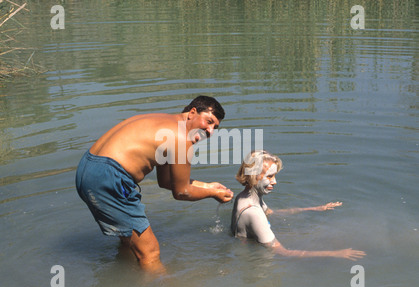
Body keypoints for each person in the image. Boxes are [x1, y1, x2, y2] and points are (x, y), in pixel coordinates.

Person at [76, 96, 234, 274]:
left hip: (88, 168)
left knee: (130, 242)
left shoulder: (167, 126)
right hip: (109, 178)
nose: (211, 131)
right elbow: (181, 192)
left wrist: (208, 186)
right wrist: (213, 194)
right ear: (192, 112)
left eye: (215, 127)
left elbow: (166, 182)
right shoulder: (181, 138)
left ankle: (125, 281)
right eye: (209, 121)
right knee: (150, 254)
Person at [231, 150, 366, 261]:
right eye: (270, 176)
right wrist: (335, 253)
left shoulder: (245, 197)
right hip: (256, 262)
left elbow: (271, 213)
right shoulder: (253, 213)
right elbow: (284, 252)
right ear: (254, 176)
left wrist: (314, 209)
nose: (275, 181)